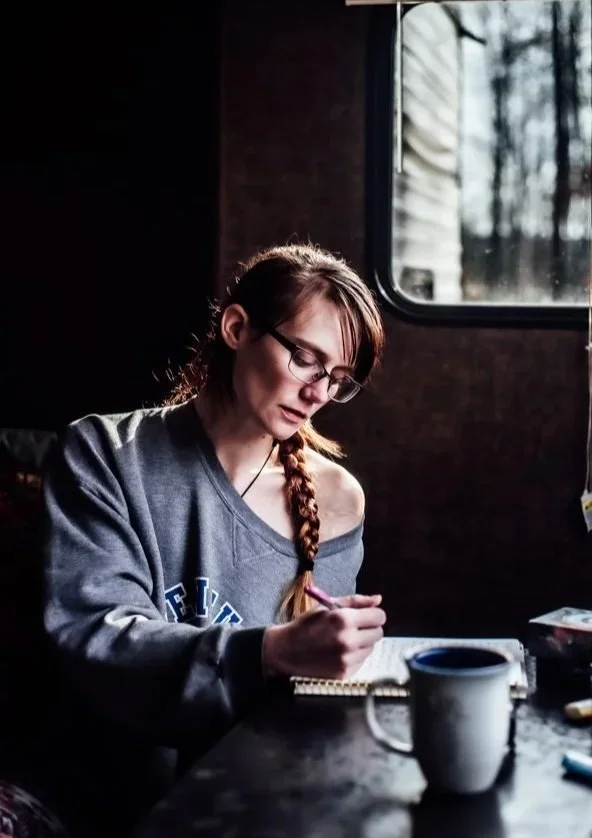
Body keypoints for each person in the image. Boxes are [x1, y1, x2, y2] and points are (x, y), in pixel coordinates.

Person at [40, 242, 386, 837]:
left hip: (264, 798)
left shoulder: (336, 499)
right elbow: (95, 636)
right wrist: (267, 653)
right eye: (305, 358)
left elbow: (313, 699)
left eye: (338, 379)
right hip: (117, 797)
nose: (319, 393)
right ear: (236, 328)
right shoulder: (102, 455)